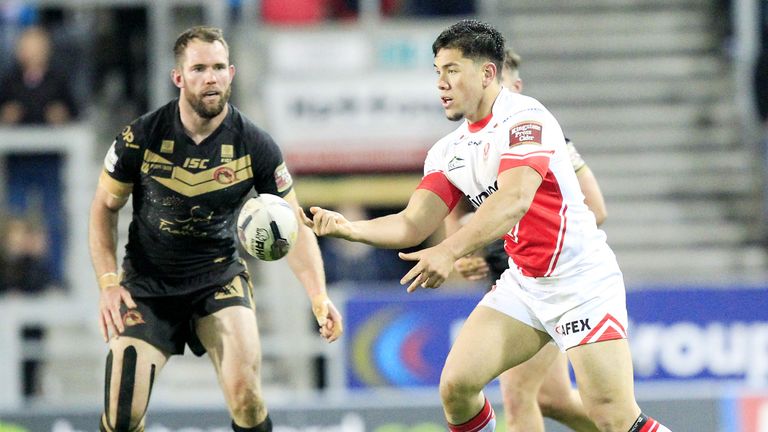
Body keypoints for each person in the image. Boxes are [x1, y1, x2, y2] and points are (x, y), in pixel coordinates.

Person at [302, 19, 671, 432]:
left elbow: (513, 200)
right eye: (437, 73)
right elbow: (411, 223)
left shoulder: (525, 119)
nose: (441, 83)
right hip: (526, 284)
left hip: (580, 282)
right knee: (456, 387)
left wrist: (449, 249)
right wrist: (349, 229)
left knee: (613, 416)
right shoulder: (449, 150)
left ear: (487, 73)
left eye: (452, 70)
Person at [88, 26, 342, 432]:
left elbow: (293, 224)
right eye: (199, 68)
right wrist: (107, 283)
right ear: (178, 77)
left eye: (219, 67)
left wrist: (318, 296)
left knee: (247, 398)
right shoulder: (139, 138)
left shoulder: (256, 145)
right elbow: (104, 207)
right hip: (148, 286)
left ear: (232, 73)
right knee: (121, 416)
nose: (211, 77)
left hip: (219, 279)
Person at [445, 48, 605, 432]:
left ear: (516, 87)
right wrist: (462, 251)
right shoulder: (468, 145)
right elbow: (451, 208)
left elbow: (595, 209)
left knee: (519, 399)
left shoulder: (544, 138)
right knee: (555, 401)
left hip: (548, 278)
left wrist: (501, 242)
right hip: (514, 281)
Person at [0, 25, 78, 124]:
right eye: (27, 47)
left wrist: (63, 115)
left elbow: (74, 111)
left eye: (36, 47)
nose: (32, 53)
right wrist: (5, 116)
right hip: (17, 136)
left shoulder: (59, 81)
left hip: (51, 136)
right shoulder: (9, 81)